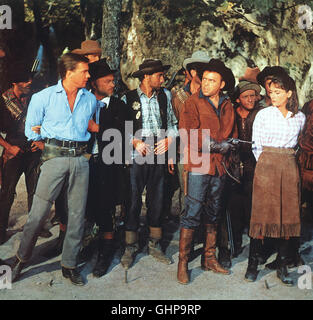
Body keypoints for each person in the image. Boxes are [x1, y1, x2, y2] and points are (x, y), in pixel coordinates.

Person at [10, 53, 98, 286]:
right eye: (84, 71)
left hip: (80, 159)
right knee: (38, 213)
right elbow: (32, 129)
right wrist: (47, 149)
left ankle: (69, 264)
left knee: (78, 215)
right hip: (53, 158)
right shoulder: (44, 97)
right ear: (69, 73)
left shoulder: (90, 99)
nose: (89, 75)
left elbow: (93, 126)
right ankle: (21, 259)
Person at [177, 58, 237, 284]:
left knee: (214, 212)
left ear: (222, 84)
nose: (206, 84)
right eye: (204, 79)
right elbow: (188, 134)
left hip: (220, 165)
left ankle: (209, 258)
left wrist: (227, 146)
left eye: (212, 80)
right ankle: (183, 262)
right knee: (192, 211)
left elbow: (231, 133)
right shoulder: (192, 103)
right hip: (199, 162)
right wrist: (216, 145)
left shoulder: (227, 104)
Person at [120, 59, 178, 270]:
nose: (163, 79)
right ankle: (130, 245)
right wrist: (134, 141)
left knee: (158, 198)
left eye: (163, 76)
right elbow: (121, 128)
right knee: (133, 198)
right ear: (146, 77)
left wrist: (169, 141)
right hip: (137, 154)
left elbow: (172, 124)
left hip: (159, 152)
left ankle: (154, 243)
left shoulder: (165, 96)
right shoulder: (128, 98)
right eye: (159, 76)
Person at [248, 73, 305, 286]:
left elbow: (298, 145)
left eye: (278, 92)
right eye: (271, 92)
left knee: (287, 215)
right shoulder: (263, 115)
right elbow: (256, 145)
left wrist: (286, 161)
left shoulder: (300, 117)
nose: (273, 96)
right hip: (266, 165)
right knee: (261, 214)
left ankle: (282, 264)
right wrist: (265, 164)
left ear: (289, 93)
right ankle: (252, 265)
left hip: (289, 166)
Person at [84, 58, 128, 277]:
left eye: (113, 81)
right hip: (83, 162)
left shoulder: (119, 106)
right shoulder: (81, 103)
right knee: (83, 205)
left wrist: (97, 128)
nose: (113, 85)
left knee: (105, 206)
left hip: (107, 164)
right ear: (94, 83)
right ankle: (84, 244)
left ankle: (106, 250)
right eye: (108, 81)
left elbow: (121, 136)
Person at [0, 62, 47, 245]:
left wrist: (40, 139)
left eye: (29, 80)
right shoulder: (3, 101)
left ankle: (36, 227)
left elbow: (43, 120)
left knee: (35, 190)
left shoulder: (34, 98)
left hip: (33, 149)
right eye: (25, 80)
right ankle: (1, 229)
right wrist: (9, 147)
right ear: (15, 83)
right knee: (7, 192)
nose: (29, 83)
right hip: (13, 150)